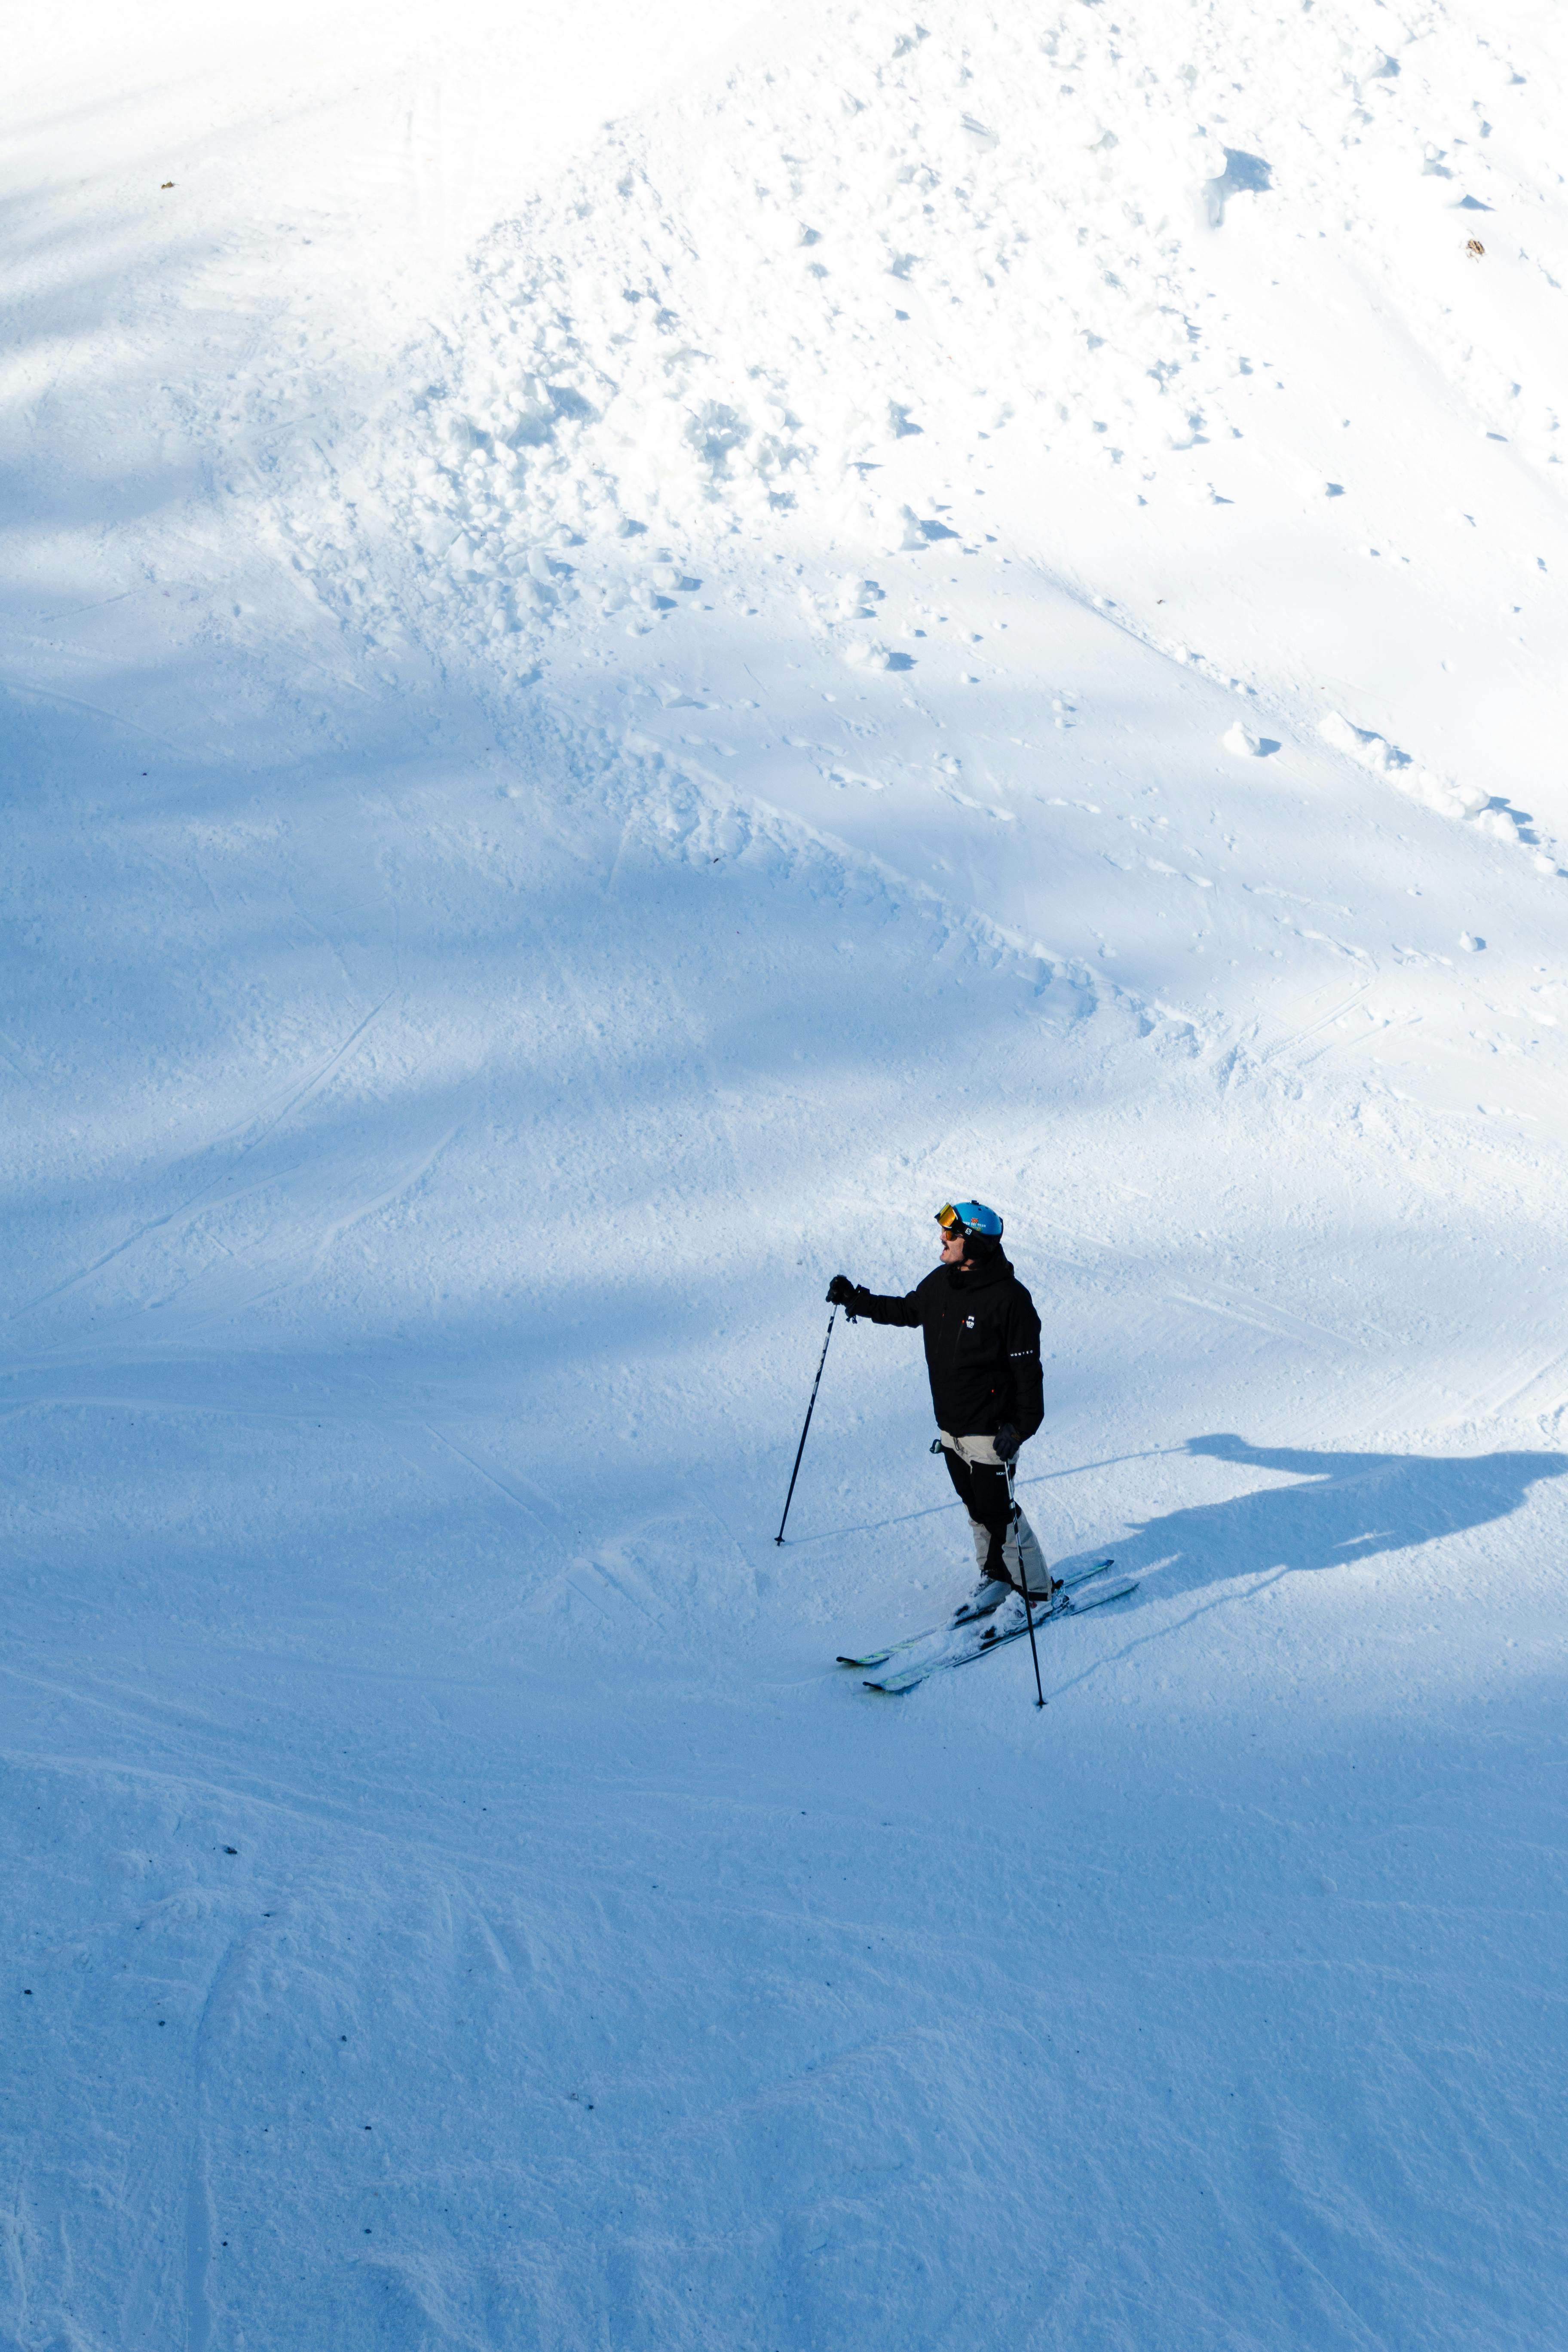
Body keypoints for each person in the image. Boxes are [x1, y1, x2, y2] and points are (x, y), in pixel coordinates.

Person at [827, 1201, 1057, 1620]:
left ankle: (1038, 1594)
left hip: (992, 1433)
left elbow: (1029, 1372)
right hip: (951, 1427)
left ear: (975, 1243)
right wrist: (856, 1300)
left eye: (952, 1234)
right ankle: (997, 1575)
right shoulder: (943, 1282)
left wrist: (1020, 1429)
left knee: (1000, 1515)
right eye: (945, 1233)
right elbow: (909, 1310)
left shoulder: (1011, 1300)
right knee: (975, 1508)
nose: (943, 1239)